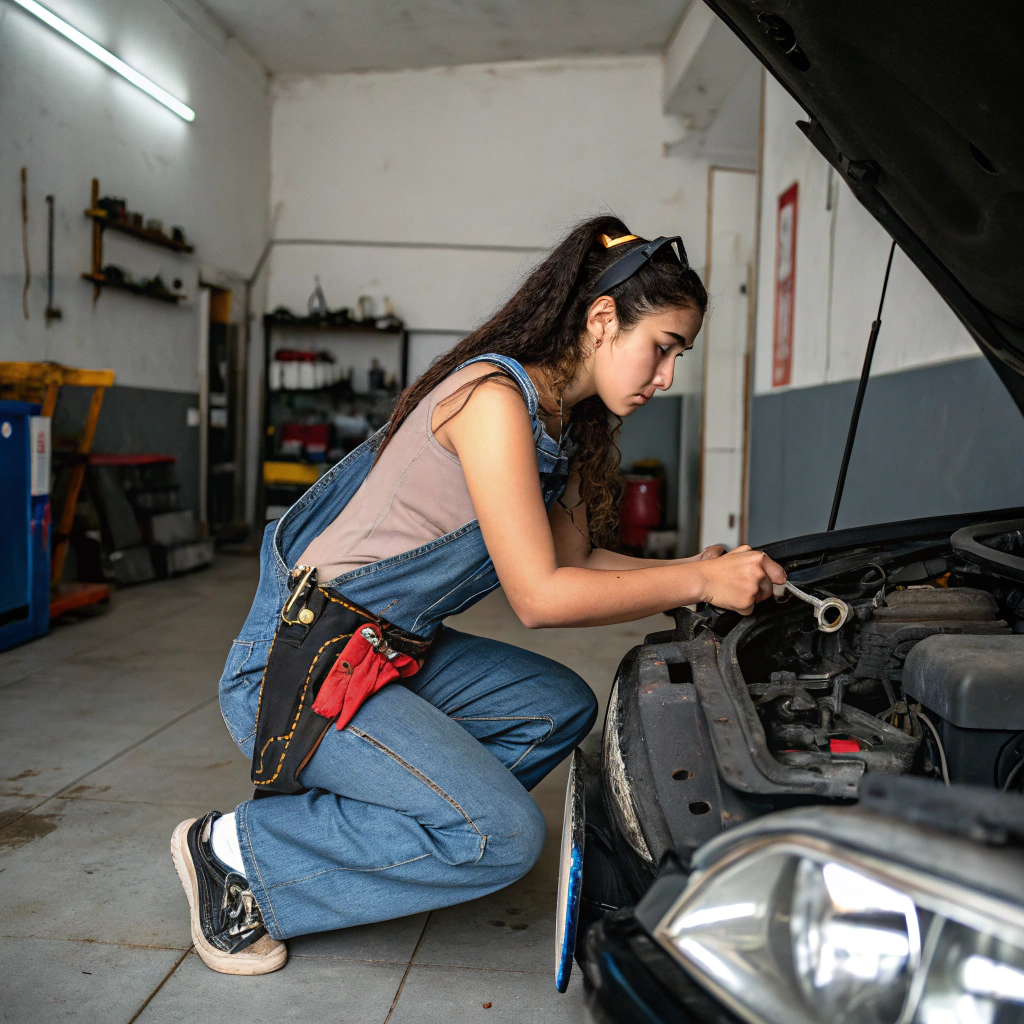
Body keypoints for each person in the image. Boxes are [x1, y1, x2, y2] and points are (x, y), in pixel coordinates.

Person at [170, 215, 787, 975]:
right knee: (502, 837)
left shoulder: (558, 422)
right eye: (662, 347)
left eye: (677, 357)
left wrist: (696, 571)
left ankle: (360, 826)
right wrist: (696, 580)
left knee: (557, 705)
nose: (666, 378)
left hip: (382, 653)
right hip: (301, 669)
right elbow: (540, 596)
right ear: (602, 319)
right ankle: (237, 853)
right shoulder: (493, 402)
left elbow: (577, 559)